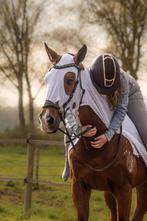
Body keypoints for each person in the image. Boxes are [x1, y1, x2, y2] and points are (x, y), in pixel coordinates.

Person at [62, 53, 147, 181]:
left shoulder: (123, 79)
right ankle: (67, 164)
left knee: (144, 131)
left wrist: (108, 135)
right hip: (100, 91)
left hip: (130, 94)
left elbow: (121, 110)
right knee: (68, 130)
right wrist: (77, 129)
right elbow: (70, 108)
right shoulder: (86, 78)